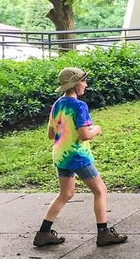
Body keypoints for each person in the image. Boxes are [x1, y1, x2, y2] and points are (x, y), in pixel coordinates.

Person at [33, 67, 128, 247]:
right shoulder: (79, 106)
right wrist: (96, 129)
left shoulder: (57, 105)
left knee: (66, 193)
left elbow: (51, 134)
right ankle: (103, 233)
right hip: (78, 156)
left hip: (61, 155)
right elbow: (84, 135)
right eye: (83, 81)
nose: (86, 84)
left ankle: (43, 233)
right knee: (100, 190)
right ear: (75, 85)